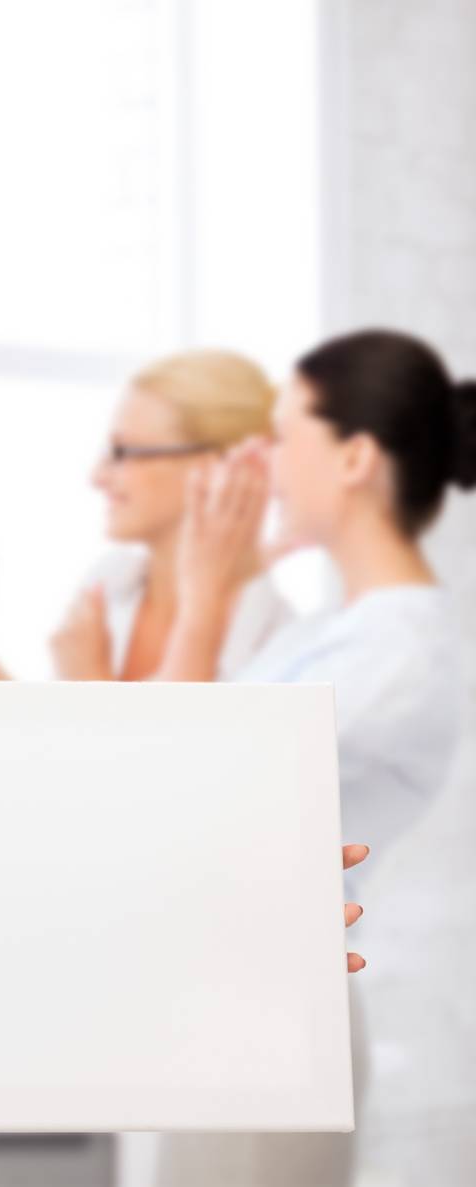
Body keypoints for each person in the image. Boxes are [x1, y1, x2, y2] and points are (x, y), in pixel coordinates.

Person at [143, 328, 473, 1186]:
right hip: (237, 1008)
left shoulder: (397, 657)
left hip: (276, 1018)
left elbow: (168, 790)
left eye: (284, 433)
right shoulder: (342, 635)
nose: (263, 458)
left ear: (356, 456)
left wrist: (204, 601)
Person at [0, 349, 293, 682]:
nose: (96, 477)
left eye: (123, 451)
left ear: (214, 468)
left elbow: (154, 752)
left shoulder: (274, 646)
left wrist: (91, 687)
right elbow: (44, 734)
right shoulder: (112, 583)